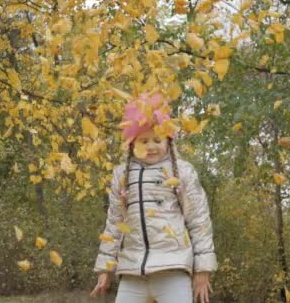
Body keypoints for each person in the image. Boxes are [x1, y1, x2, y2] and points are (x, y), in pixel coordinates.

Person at [90, 92, 217, 303]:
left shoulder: (182, 172)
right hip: (132, 272)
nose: (151, 146)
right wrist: (105, 268)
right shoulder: (122, 175)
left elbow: (199, 222)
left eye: (157, 140)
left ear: (168, 140)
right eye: (144, 140)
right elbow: (114, 224)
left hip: (173, 270)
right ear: (132, 143)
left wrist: (203, 269)